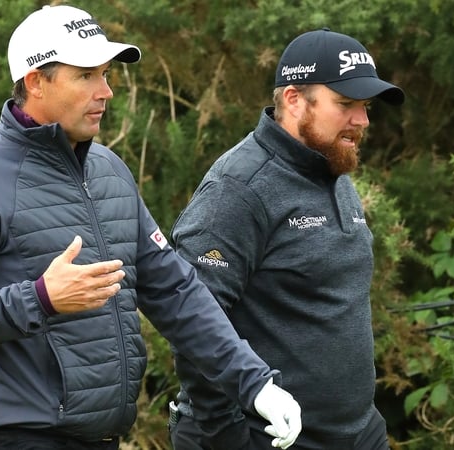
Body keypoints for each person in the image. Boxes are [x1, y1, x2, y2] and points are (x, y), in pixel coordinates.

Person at [0, 4, 303, 450]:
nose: (106, 91)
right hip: (19, 437)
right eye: (86, 76)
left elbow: (176, 292)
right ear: (36, 81)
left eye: (105, 74)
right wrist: (41, 299)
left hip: (103, 436)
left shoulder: (109, 171)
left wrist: (254, 385)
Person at [167, 28, 405, 450]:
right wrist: (229, 438)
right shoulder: (237, 189)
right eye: (346, 104)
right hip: (266, 439)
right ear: (294, 100)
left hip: (356, 434)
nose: (362, 121)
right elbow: (192, 322)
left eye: (365, 107)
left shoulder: (332, 166)